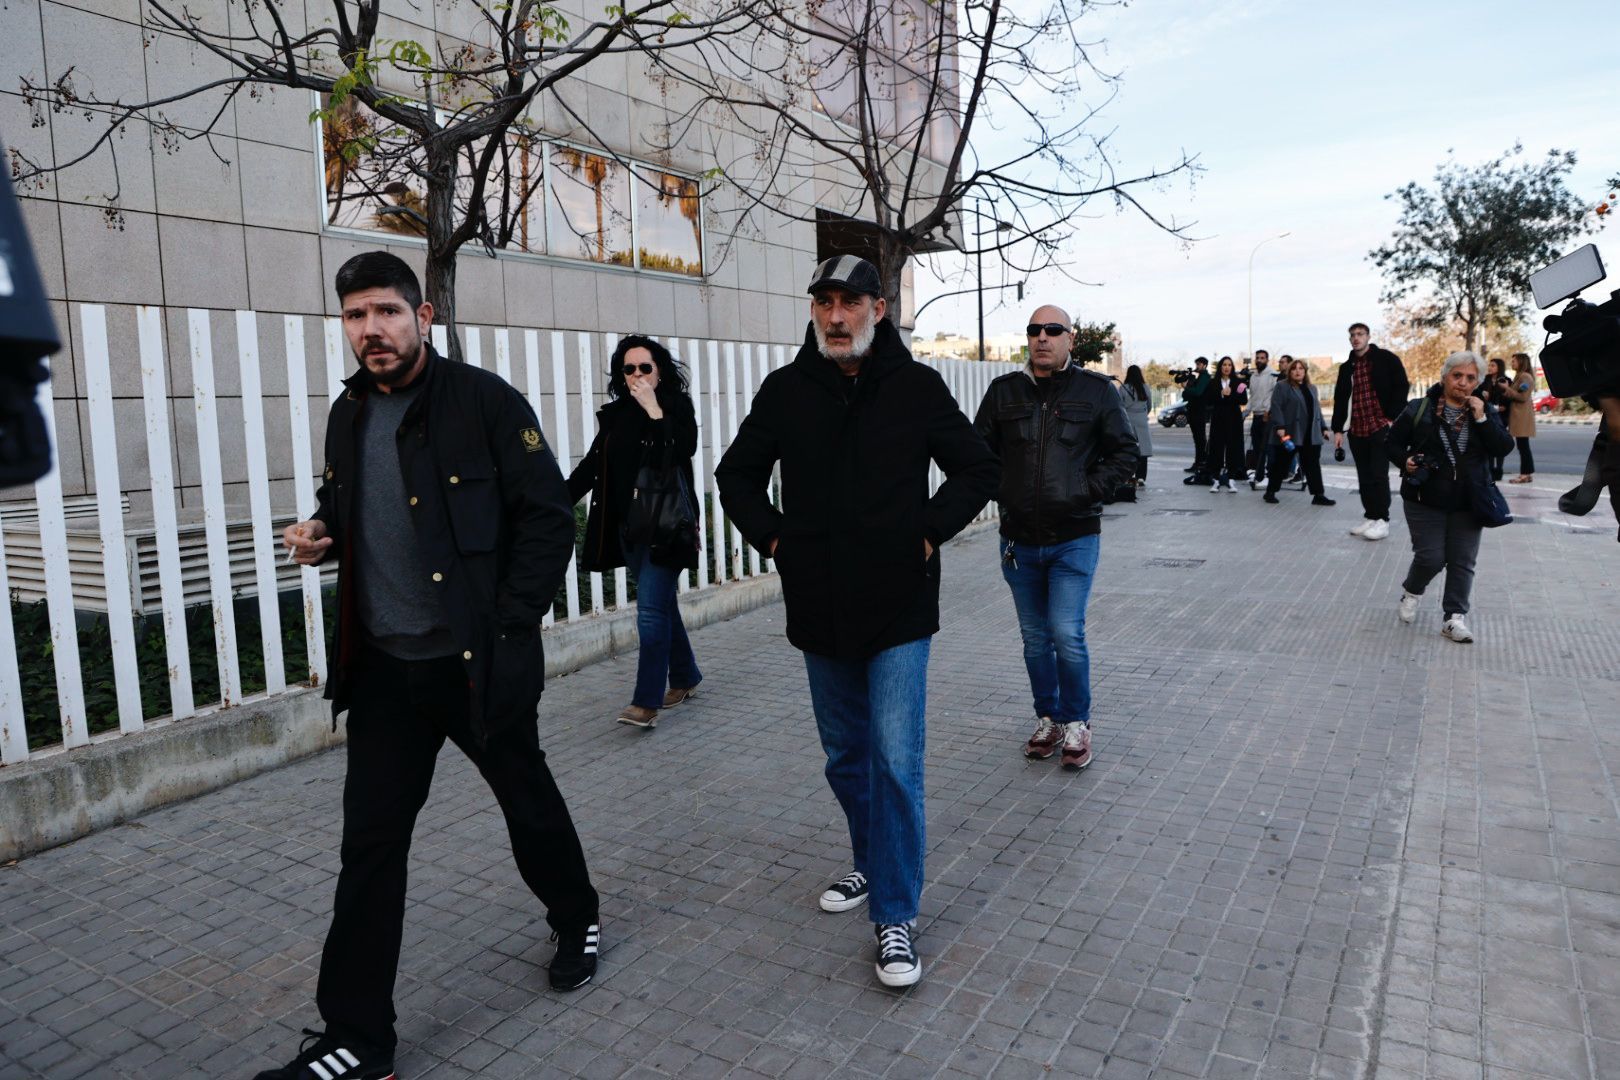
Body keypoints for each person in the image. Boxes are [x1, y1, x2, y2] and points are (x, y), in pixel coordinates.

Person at [265, 253, 600, 1080]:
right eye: (355, 316)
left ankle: (576, 914)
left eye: (386, 311)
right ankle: (358, 1039)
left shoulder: (485, 403)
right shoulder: (349, 415)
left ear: (425, 315)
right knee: (369, 850)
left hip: (472, 665)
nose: (371, 330)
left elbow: (549, 519)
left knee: (526, 802)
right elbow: (360, 510)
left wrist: (510, 628)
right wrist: (322, 532)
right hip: (383, 672)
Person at [715, 255, 997, 989]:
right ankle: (873, 862)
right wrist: (776, 541)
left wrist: (928, 533)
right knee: (846, 757)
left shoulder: (916, 387)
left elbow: (976, 468)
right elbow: (735, 475)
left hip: (900, 605)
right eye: (824, 304)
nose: (836, 317)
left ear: (879, 308)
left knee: (896, 762)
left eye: (850, 303)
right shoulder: (787, 391)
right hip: (819, 606)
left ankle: (896, 914)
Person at [974, 307, 1138, 774]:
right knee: (1033, 638)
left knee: (1066, 632)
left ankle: (1078, 722)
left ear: (1071, 338)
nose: (1041, 338)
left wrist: (1085, 491)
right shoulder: (1005, 392)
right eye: (1034, 330)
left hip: (1074, 538)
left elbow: (1124, 452)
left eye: (1052, 331)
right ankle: (1048, 718)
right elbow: (975, 450)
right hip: (1019, 541)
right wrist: (1001, 491)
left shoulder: (1096, 391)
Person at [567, 335, 703, 729]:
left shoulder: (676, 408)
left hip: (667, 528)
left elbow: (682, 450)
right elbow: (592, 467)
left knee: (649, 613)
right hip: (629, 530)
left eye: (645, 367)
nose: (638, 375)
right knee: (660, 607)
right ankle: (685, 675)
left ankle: (645, 703)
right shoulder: (616, 417)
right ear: (620, 374)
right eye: (629, 369)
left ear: (659, 371)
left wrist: (654, 410)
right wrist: (551, 502)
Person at [1386, 351, 1513, 643]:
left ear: (1478, 381)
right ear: (1444, 377)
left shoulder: (1485, 411)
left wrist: (1482, 418)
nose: (1463, 383)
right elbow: (1391, 444)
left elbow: (1503, 447)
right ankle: (1412, 590)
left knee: (1462, 560)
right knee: (1431, 557)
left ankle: (1454, 618)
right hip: (1423, 497)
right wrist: (1405, 460)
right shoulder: (1420, 408)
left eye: (1471, 378)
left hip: (1470, 499)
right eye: (1457, 376)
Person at [1331, 322, 1410, 541]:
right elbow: (1340, 399)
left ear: (1368, 336)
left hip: (1379, 425)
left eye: (1360, 334)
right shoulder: (1346, 367)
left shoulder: (1386, 359)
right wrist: (1338, 429)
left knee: (1378, 474)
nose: (1356, 338)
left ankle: (1383, 520)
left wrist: (1391, 418)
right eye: (1352, 335)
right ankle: (1371, 516)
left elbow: (1402, 386)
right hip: (1357, 427)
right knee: (1364, 476)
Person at [1262, 359, 1334, 506]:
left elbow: (1317, 410)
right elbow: (1276, 407)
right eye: (1294, 368)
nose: (1297, 371)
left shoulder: (1312, 388)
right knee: (1281, 465)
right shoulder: (1282, 386)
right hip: (1290, 433)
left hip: (1310, 434)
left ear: (1305, 371)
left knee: (1313, 465)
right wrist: (1280, 426)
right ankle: (1270, 492)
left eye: (1301, 368)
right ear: (1290, 371)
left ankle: (1318, 495)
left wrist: (1324, 428)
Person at [1205, 356, 1248, 492]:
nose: (1227, 367)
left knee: (1233, 448)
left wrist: (1230, 395)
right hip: (1218, 420)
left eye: (1229, 365)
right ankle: (1216, 479)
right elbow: (1208, 400)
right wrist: (1221, 394)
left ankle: (1231, 479)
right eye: (1224, 364)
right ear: (1220, 367)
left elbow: (1243, 400)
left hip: (1234, 420)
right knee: (1216, 448)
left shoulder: (1238, 382)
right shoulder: (1213, 382)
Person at [1502, 352, 1537, 484]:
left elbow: (1523, 397)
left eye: (1514, 361)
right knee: (1523, 446)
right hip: (1519, 416)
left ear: (1521, 362)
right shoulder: (1519, 376)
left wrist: (1507, 389)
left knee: (1523, 446)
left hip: (1522, 417)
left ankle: (1525, 474)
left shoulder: (1525, 377)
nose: (1512, 363)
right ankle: (1527, 474)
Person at [1246, 350, 1277, 489]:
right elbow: (1252, 397)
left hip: (1267, 417)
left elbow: (1276, 396)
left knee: (1268, 449)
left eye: (1262, 358)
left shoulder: (1272, 375)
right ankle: (1259, 476)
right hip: (1256, 416)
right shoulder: (1253, 376)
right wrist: (1246, 412)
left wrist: (1268, 411)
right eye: (1257, 358)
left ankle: (1271, 478)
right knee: (1258, 448)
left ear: (1267, 360)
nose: (1259, 360)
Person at [1120, 364, 1154, 486]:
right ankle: (1141, 477)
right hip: (1142, 420)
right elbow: (1149, 405)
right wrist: (1143, 414)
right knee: (1143, 450)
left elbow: (1119, 406)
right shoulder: (1145, 387)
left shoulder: (1124, 388)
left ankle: (1129, 475)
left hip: (1128, 420)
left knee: (1129, 448)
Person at [1478, 358, 1512, 481]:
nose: (1490, 367)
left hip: (1502, 416)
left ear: (1499, 367)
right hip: (1489, 413)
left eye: (1493, 365)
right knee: (1490, 440)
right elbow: (1479, 393)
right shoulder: (1486, 379)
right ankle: (1491, 469)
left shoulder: (1506, 380)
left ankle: (1499, 470)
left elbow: (1509, 398)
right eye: (1490, 365)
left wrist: (1503, 404)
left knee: (1500, 440)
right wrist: (1483, 394)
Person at [1182, 356, 1211, 476]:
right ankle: (1198, 462)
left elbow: (1198, 392)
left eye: (1199, 364)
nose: (1197, 367)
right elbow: (1185, 396)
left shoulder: (1205, 377)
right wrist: (1187, 387)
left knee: (1200, 439)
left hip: (1199, 411)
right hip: (1194, 411)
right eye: (1196, 364)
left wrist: (1186, 388)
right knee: (1197, 439)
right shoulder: (1198, 377)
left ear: (1204, 365)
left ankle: (1201, 463)